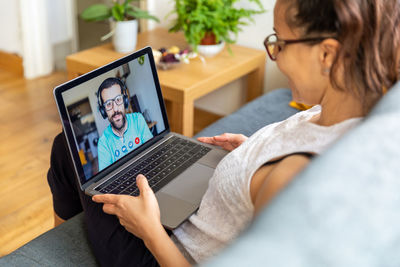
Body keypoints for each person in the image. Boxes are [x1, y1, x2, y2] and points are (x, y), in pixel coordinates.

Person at [47, 0, 400, 266]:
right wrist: (252, 154)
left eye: (280, 43)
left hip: (161, 248)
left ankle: (56, 243)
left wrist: (151, 230)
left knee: (66, 146)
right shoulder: (339, 113)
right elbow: (285, 153)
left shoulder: (293, 178)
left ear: (327, 54)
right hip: (196, 208)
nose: (274, 56)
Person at [96, 77, 153, 171]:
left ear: (125, 101)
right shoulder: (103, 143)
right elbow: (107, 181)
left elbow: (152, 152)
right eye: (108, 104)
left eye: (118, 99)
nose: (115, 109)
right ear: (103, 111)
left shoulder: (138, 119)